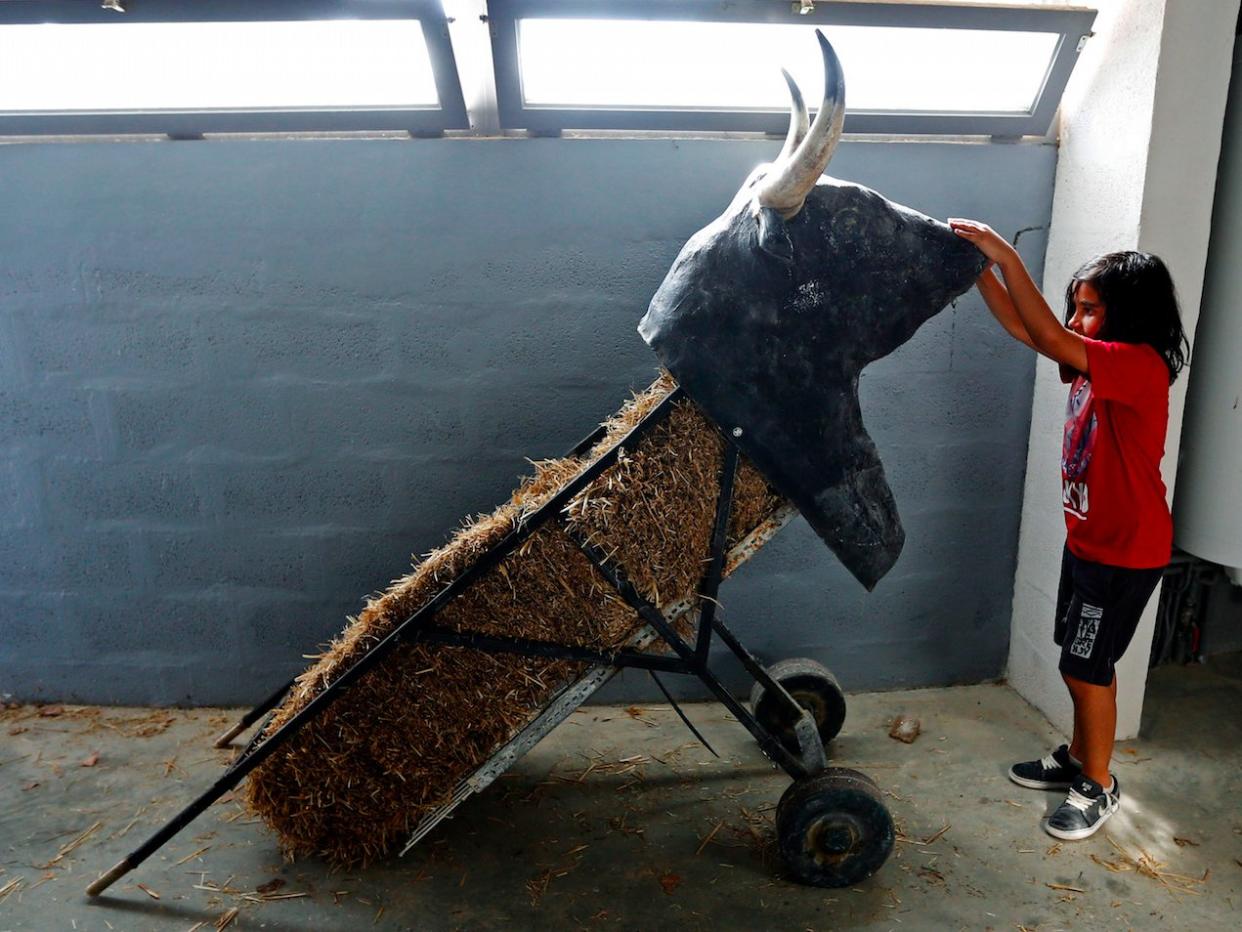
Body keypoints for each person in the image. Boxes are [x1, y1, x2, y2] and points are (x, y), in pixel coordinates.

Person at [947, 219, 1189, 840]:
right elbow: (1026, 329)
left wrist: (1002, 252)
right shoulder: (1094, 363)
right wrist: (972, 267)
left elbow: (1051, 336)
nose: (1077, 321)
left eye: (1089, 310)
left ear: (1129, 314)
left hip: (1125, 551)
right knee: (1076, 659)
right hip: (1088, 542)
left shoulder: (1138, 365)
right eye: (1076, 310)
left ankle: (1099, 783)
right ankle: (1080, 757)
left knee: (1087, 666)